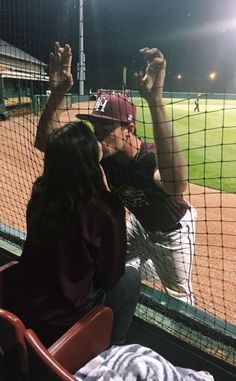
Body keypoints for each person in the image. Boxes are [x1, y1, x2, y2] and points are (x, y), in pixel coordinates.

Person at [35, 43, 196, 305]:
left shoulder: (148, 159)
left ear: (128, 128)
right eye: (95, 126)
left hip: (173, 230)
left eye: (105, 127)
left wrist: (155, 103)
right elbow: (48, 145)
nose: (97, 134)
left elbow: (176, 185)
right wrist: (58, 91)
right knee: (111, 261)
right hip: (141, 224)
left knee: (180, 297)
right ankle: (148, 263)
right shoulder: (103, 151)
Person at [11, 45, 140, 348]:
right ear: (85, 160)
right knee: (130, 279)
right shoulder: (104, 207)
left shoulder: (40, 191)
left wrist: (58, 92)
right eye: (93, 133)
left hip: (23, 310)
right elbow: (109, 278)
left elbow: (50, 142)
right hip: (65, 325)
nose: (97, 136)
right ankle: (113, 348)